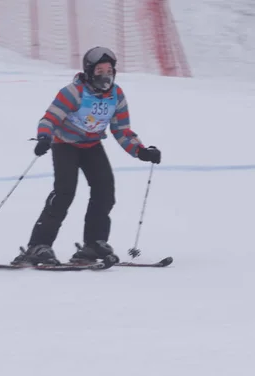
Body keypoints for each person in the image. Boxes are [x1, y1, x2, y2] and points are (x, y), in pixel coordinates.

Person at [11, 46, 162, 266]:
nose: (106, 75)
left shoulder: (116, 95)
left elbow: (121, 130)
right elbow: (49, 119)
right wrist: (44, 137)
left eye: (109, 70)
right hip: (66, 145)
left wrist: (141, 151)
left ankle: (94, 244)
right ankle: (38, 245)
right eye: (100, 70)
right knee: (64, 193)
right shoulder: (73, 92)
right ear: (90, 72)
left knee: (105, 190)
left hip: (91, 145)